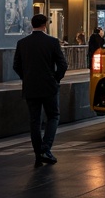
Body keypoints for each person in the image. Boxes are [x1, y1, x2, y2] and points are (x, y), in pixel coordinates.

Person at [13, 13, 69, 166]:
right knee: (53, 116)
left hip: (30, 87)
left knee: (34, 121)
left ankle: (39, 154)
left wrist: (27, 77)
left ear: (32, 24)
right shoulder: (52, 42)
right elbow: (63, 65)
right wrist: (55, 78)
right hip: (49, 86)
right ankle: (45, 149)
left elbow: (16, 65)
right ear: (45, 24)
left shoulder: (22, 43)